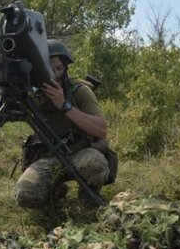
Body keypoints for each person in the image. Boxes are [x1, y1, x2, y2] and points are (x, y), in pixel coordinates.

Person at [14, 39, 111, 208]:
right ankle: (55, 194)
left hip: (79, 153)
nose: (54, 75)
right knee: (25, 195)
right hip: (48, 157)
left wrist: (64, 105)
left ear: (65, 69)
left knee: (95, 164)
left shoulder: (79, 90)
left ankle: (87, 200)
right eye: (48, 69)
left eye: (58, 69)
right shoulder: (33, 95)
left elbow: (101, 130)